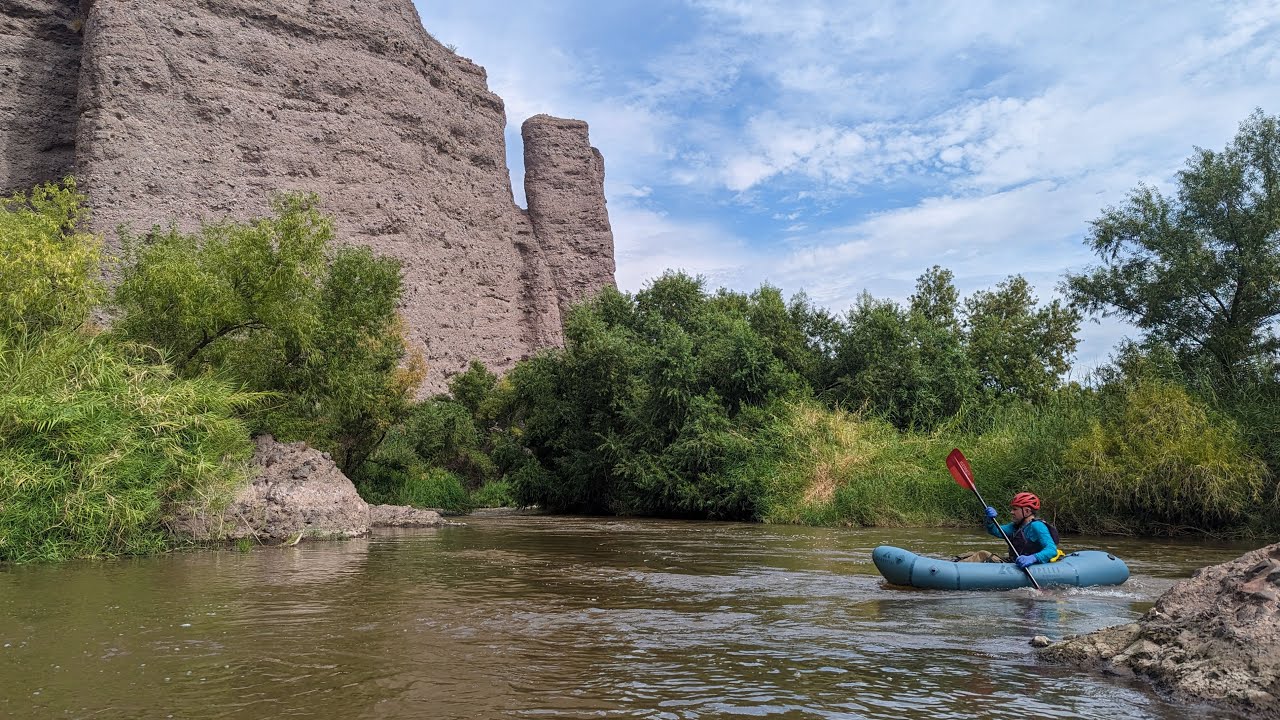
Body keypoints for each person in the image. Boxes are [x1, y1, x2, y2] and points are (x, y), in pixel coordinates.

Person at [982, 492, 1063, 567]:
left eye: (1015, 509)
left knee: (982, 555)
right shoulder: (1014, 526)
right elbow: (995, 530)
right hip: (1015, 562)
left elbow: (1052, 550)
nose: (1011, 512)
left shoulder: (1037, 526)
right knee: (982, 554)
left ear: (1027, 511)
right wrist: (989, 521)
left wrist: (1033, 558)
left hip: (1035, 566)